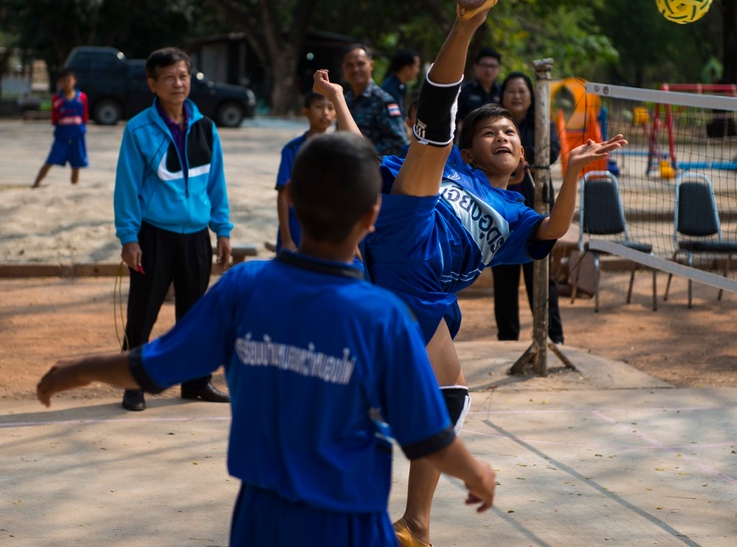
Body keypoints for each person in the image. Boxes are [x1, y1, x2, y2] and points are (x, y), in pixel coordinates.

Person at [311, 0, 626, 547]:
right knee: (432, 134)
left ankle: (416, 525)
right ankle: (467, 21)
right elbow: (366, 155)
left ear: (521, 152)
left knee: (447, 403)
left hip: (425, 295)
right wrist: (344, 103)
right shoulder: (454, 169)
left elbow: (552, 234)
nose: (503, 135)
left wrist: (575, 177)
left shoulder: (514, 212)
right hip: (404, 239)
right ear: (474, 148)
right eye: (491, 132)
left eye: (510, 131)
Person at [37, 131, 497, 545]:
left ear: (292, 200)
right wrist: (474, 472)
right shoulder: (382, 318)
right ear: (373, 215)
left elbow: (152, 367)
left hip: (259, 521)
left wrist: (78, 369)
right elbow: (427, 433)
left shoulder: (244, 287)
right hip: (347, 523)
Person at [114, 47, 233, 411]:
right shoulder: (138, 130)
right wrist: (129, 237)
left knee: (196, 313)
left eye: (183, 76)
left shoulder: (206, 128)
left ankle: (196, 382)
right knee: (142, 312)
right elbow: (127, 187)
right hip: (153, 235)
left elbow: (216, 184)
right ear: (153, 84)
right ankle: (132, 383)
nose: (178, 83)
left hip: (196, 235)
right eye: (169, 77)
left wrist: (222, 230)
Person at [493, 71, 564, 343]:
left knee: (542, 278)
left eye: (522, 90)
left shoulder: (542, 122)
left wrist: (523, 158)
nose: (517, 95)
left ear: (531, 96)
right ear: (502, 95)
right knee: (504, 281)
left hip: (536, 211)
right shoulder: (492, 123)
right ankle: (507, 339)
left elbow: (554, 150)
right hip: (499, 212)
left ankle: (552, 338)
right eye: (511, 90)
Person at [274, 90, 336, 252]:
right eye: (318, 107)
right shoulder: (293, 149)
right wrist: (287, 239)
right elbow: (282, 194)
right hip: (297, 226)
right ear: (305, 112)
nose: (325, 113)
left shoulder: (339, 151)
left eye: (330, 107)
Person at [342, 44, 408, 157]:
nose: (355, 69)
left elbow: (398, 143)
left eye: (360, 64)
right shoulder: (345, 101)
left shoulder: (383, 100)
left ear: (371, 65)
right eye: (350, 65)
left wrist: (363, 153)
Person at [31, 69, 89, 188]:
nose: (67, 83)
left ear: (74, 81)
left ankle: (74, 186)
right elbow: (54, 118)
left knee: (76, 163)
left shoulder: (82, 97)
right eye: (64, 81)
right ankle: (36, 184)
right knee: (51, 159)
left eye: (69, 80)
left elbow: (85, 116)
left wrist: (82, 128)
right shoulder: (57, 99)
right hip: (62, 135)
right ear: (60, 83)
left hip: (77, 134)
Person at [456, 46, 502, 124]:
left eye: (493, 66)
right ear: (475, 66)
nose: (488, 70)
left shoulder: (503, 91)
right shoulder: (464, 90)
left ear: (499, 69)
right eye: (484, 65)